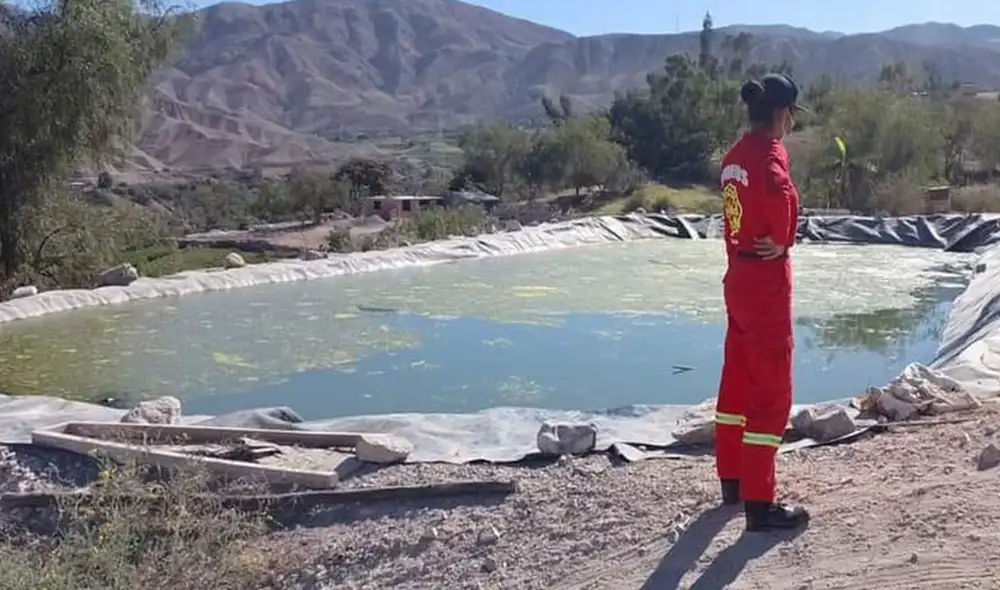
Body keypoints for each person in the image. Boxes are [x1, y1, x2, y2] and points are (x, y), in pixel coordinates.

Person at [714, 73, 809, 532]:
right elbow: (778, 194)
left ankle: (731, 480)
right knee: (770, 391)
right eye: (792, 113)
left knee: (737, 383)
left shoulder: (733, 156)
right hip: (766, 280)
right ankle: (760, 502)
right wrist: (784, 240)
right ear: (781, 113)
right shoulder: (770, 155)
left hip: (737, 276)